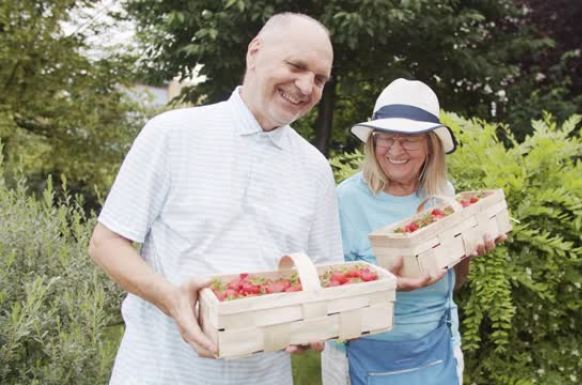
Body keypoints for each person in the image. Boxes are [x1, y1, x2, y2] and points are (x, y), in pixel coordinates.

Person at [88, 13, 343, 385]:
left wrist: (312, 322)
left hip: (264, 377)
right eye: (296, 66)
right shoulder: (172, 133)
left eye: (319, 79)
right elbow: (105, 243)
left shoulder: (315, 169)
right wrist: (171, 299)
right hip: (160, 373)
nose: (306, 87)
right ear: (254, 52)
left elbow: (322, 276)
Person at [321, 78, 505, 385]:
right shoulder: (346, 200)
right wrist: (386, 284)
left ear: (430, 145)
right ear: (373, 142)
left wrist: (466, 251)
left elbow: (453, 284)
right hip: (363, 356)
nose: (395, 150)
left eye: (408, 138)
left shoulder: (442, 194)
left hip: (436, 351)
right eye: (385, 138)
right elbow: (330, 298)